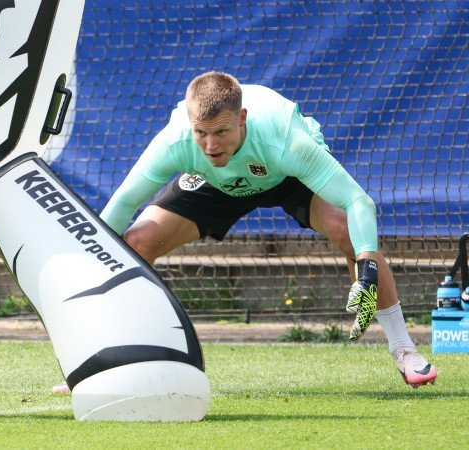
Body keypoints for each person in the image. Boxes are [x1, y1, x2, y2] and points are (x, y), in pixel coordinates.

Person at [52, 71, 436, 394]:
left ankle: (404, 349)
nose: (211, 143)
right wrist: (90, 263)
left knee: (348, 232)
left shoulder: (287, 142)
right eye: (201, 132)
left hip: (284, 175)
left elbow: (359, 202)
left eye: (220, 132)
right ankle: (101, 362)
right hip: (215, 181)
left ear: (243, 119)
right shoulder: (180, 144)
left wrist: (366, 263)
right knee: (136, 242)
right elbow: (120, 206)